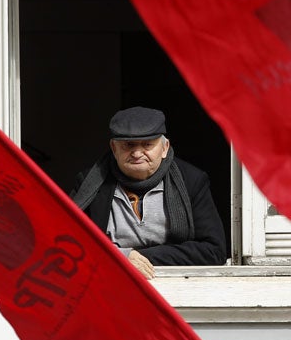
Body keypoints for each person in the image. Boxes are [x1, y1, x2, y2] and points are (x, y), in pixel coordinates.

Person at [70, 106, 227, 276]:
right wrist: (121, 256)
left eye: (147, 145)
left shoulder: (192, 181)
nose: (137, 153)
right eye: (128, 145)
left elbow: (213, 251)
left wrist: (138, 258)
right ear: (114, 148)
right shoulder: (89, 183)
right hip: (106, 279)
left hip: (178, 284)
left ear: (165, 147)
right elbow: (66, 237)